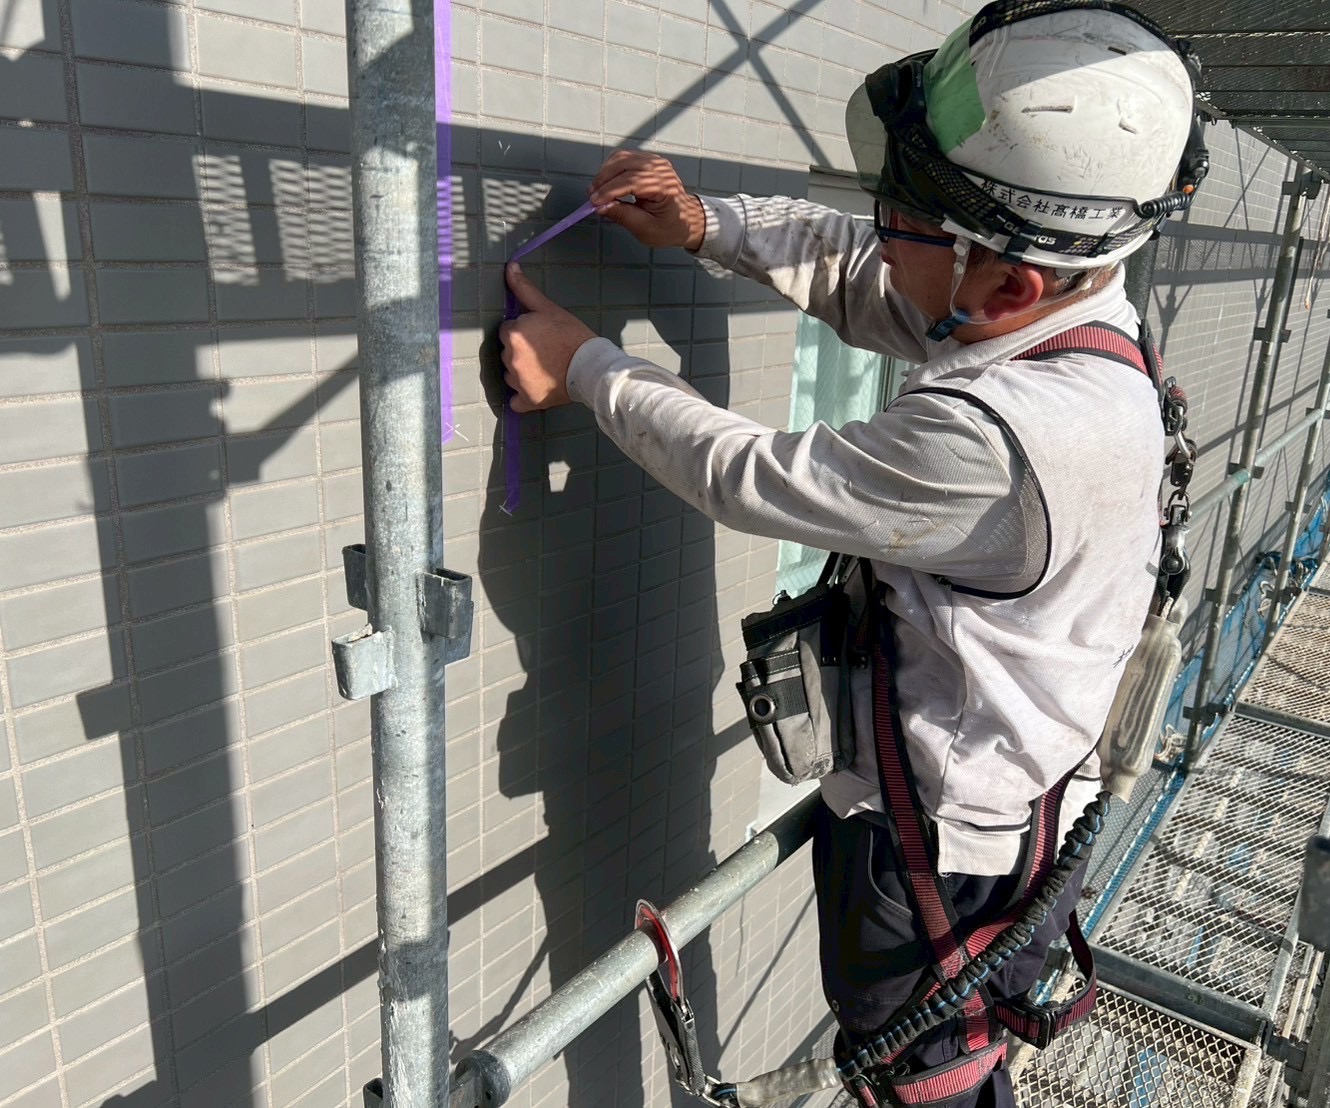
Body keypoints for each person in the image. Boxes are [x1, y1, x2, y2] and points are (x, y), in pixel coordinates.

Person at [500, 3, 1205, 1104]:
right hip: (1014, 816)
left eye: (900, 217)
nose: (874, 231)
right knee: (946, 1066)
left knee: (922, 1080)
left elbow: (750, 475)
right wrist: (707, 224)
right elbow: (869, 279)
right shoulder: (1071, 322)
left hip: (939, 861)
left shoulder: (1002, 445)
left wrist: (584, 367)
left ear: (1006, 281)